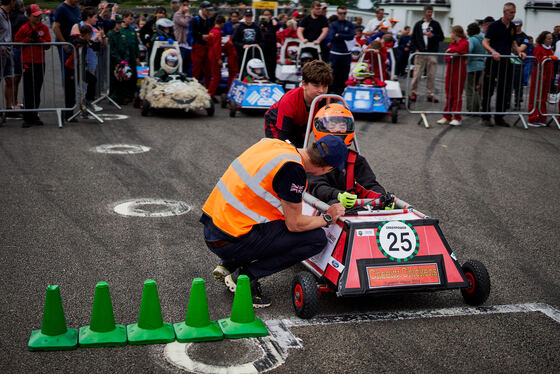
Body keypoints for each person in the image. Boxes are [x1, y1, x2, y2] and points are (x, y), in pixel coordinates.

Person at [202, 135, 348, 307]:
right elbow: (294, 225)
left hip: (214, 227)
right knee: (316, 239)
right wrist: (327, 217)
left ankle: (230, 263)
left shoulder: (274, 144)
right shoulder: (293, 170)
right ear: (327, 169)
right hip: (229, 240)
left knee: (277, 218)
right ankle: (245, 276)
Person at [307, 103, 387, 208]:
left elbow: (369, 184)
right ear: (320, 127)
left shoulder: (356, 160)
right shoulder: (314, 158)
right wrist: (338, 195)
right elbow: (317, 187)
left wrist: (383, 198)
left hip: (351, 206)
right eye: (332, 126)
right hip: (322, 204)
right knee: (334, 205)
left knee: (386, 202)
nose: (338, 130)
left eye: (342, 125)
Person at [264, 60, 332, 147]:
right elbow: (283, 137)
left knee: (301, 148)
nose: (321, 91)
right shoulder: (289, 100)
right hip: (275, 121)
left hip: (300, 124)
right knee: (281, 149)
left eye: (325, 86)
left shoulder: (326, 101)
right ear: (304, 84)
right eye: (316, 85)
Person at [480, 2, 526, 127]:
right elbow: (485, 42)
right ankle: (485, 116)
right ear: (505, 12)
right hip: (493, 61)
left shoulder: (511, 26)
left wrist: (519, 52)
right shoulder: (494, 25)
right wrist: (493, 51)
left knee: (504, 89)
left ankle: (499, 117)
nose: (513, 14)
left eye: (514, 12)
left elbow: (513, 43)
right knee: (488, 89)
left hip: (506, 61)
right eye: (511, 12)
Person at [14, 3, 50, 127]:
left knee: (37, 89)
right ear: (28, 16)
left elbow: (48, 45)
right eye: (35, 16)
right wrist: (27, 40)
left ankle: (35, 115)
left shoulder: (44, 28)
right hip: (28, 62)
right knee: (28, 89)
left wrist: (40, 40)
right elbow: (16, 43)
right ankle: (27, 117)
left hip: (40, 62)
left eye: (39, 15)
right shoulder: (24, 28)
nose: (37, 18)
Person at [70, 6, 106, 112]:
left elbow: (101, 44)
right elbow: (77, 41)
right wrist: (93, 39)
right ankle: (82, 108)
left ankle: (86, 106)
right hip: (78, 62)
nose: (97, 19)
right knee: (81, 86)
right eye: (95, 17)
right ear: (88, 17)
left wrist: (102, 37)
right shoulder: (78, 26)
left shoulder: (95, 29)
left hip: (90, 61)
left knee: (89, 83)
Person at [409, 5, 443, 103]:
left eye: (431, 12)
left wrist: (432, 35)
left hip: (432, 52)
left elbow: (441, 37)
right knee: (417, 74)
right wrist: (416, 49)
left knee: (431, 75)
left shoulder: (435, 24)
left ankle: (430, 94)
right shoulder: (418, 24)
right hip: (420, 52)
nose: (430, 14)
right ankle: (414, 92)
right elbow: (413, 38)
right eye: (428, 12)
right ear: (424, 12)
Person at [437, 25, 468, 126]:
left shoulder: (464, 42)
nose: (451, 34)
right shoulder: (452, 43)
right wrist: (451, 53)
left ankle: (457, 117)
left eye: (452, 32)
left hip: (459, 71)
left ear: (456, 33)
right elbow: (447, 57)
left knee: (457, 94)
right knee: (449, 93)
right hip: (450, 70)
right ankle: (447, 116)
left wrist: (451, 51)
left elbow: (461, 50)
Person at [528, 31, 556, 127]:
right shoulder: (538, 48)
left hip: (547, 76)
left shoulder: (550, 50)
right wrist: (548, 58)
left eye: (551, 38)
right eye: (548, 38)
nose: (550, 40)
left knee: (543, 97)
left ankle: (541, 117)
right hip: (539, 75)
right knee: (535, 96)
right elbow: (537, 60)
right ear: (543, 39)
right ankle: (532, 118)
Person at [327, 5, 354, 95]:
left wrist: (339, 35)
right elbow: (331, 37)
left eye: (344, 13)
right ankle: (332, 92)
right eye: (340, 13)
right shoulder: (334, 24)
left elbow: (351, 36)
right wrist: (343, 36)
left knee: (344, 74)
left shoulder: (349, 24)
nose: (342, 15)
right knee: (333, 74)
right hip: (335, 53)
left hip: (345, 54)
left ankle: (343, 92)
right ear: (337, 13)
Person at [52, 0, 81, 75]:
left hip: (74, 45)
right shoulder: (62, 8)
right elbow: (55, 27)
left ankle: (73, 86)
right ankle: (66, 86)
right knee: (67, 71)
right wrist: (64, 44)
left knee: (75, 71)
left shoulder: (77, 8)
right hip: (66, 46)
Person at [189, 1, 213, 85]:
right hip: (197, 47)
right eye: (207, 10)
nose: (209, 12)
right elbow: (193, 33)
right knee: (196, 70)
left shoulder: (209, 20)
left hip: (207, 48)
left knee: (207, 70)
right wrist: (202, 36)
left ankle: (207, 89)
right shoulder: (195, 20)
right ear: (202, 9)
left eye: (210, 10)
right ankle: (195, 87)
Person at [120, 10, 140, 104]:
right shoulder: (120, 30)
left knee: (134, 77)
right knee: (125, 77)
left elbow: (136, 44)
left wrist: (137, 57)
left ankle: (132, 95)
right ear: (123, 18)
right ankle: (124, 95)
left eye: (132, 19)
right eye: (129, 18)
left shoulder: (132, 30)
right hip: (124, 57)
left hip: (132, 56)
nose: (131, 21)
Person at [465, 22, 485, 113]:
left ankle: (472, 108)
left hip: (472, 66)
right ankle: (478, 107)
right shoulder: (482, 39)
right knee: (478, 88)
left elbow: (469, 49)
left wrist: (466, 58)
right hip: (481, 66)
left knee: (470, 88)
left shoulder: (471, 40)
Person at [107, 15, 127, 103]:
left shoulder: (122, 34)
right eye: (118, 23)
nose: (119, 25)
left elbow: (125, 47)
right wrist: (119, 60)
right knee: (113, 79)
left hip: (122, 60)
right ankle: (112, 97)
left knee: (122, 79)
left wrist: (125, 59)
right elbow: (112, 49)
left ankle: (120, 97)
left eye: (120, 23)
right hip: (114, 61)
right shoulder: (110, 34)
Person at [510, 18, 529, 111]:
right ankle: (506, 102)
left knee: (518, 85)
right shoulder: (509, 34)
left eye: (517, 26)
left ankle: (517, 103)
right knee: (508, 83)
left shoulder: (525, 37)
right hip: (508, 63)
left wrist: (513, 45)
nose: (515, 27)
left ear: (520, 25)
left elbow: (521, 49)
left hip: (518, 63)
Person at [206, 15, 224, 100]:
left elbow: (209, 43)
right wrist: (219, 58)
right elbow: (217, 46)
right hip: (214, 55)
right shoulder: (218, 33)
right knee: (216, 76)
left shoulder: (211, 31)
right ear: (222, 24)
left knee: (213, 75)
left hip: (210, 54)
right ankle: (210, 94)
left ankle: (210, 93)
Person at [173, 0, 191, 77]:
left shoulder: (189, 15)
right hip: (180, 44)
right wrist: (187, 14)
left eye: (187, 5)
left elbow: (191, 24)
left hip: (188, 45)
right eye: (184, 5)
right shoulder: (177, 15)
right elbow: (186, 23)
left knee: (188, 65)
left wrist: (188, 15)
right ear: (180, 5)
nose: (186, 7)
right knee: (181, 65)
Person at [261, 9, 279, 82]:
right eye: (265, 15)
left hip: (271, 48)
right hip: (263, 48)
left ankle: (272, 79)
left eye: (268, 15)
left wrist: (274, 22)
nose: (266, 16)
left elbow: (275, 31)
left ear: (271, 16)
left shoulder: (273, 23)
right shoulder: (260, 24)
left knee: (272, 66)